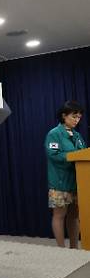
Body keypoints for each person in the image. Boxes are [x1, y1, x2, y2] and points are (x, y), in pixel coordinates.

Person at [46, 101, 85, 248]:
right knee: (59, 216)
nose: (77, 120)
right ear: (64, 115)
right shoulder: (54, 134)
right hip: (59, 183)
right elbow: (53, 155)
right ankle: (61, 250)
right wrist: (73, 155)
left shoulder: (78, 135)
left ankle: (74, 248)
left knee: (74, 216)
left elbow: (84, 154)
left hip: (77, 183)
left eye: (79, 117)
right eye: (74, 116)